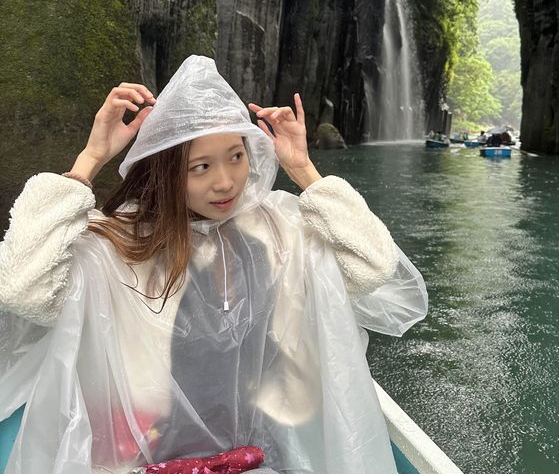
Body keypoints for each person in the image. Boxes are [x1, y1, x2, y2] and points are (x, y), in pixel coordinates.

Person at [0, 55, 427, 474]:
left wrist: (303, 169)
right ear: (165, 170)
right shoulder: (121, 243)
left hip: (258, 451)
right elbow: (25, 290)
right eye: (200, 167)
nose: (225, 182)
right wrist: (91, 159)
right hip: (145, 457)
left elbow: (372, 268)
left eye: (236, 156)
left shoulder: (278, 227)